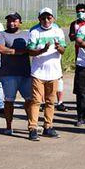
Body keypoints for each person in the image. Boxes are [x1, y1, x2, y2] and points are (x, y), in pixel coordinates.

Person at [27, 8, 66, 140]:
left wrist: (58, 47)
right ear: (39, 19)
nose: (46, 20)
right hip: (38, 72)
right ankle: (32, 128)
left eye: (49, 18)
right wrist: (42, 50)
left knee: (50, 101)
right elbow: (30, 51)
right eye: (43, 18)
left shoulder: (58, 31)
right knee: (36, 101)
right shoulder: (34, 31)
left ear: (53, 18)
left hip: (54, 72)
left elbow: (63, 50)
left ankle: (48, 126)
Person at [0, 12, 33, 136]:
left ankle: (31, 126)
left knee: (29, 101)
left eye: (15, 20)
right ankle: (8, 126)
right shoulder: (2, 34)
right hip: (8, 74)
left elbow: (32, 48)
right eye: (9, 20)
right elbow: (0, 48)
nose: (12, 23)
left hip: (25, 73)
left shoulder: (27, 34)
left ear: (20, 22)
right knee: (9, 101)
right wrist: (16, 52)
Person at [63, 3, 85, 111]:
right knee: (80, 85)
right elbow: (71, 37)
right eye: (78, 11)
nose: (80, 13)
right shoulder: (74, 24)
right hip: (80, 57)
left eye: (82, 11)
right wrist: (78, 34)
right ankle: (81, 110)